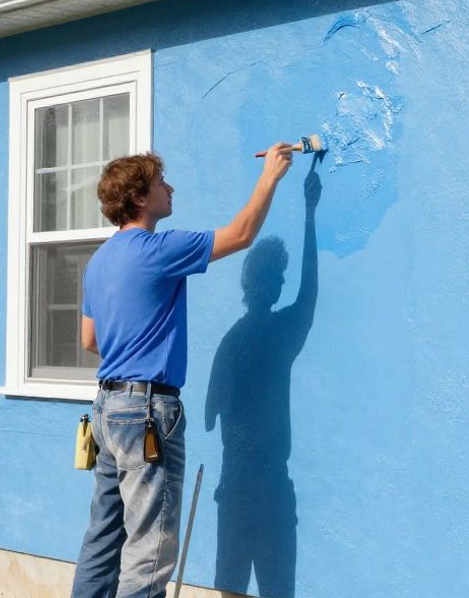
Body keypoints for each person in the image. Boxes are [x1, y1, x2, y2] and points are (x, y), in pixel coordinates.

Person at [70, 143, 295, 598]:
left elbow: (90, 340)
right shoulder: (157, 249)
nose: (170, 189)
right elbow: (242, 234)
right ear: (139, 199)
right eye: (160, 184)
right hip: (148, 410)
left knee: (103, 537)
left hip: (106, 408)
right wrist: (271, 176)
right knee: (150, 549)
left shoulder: (99, 262)